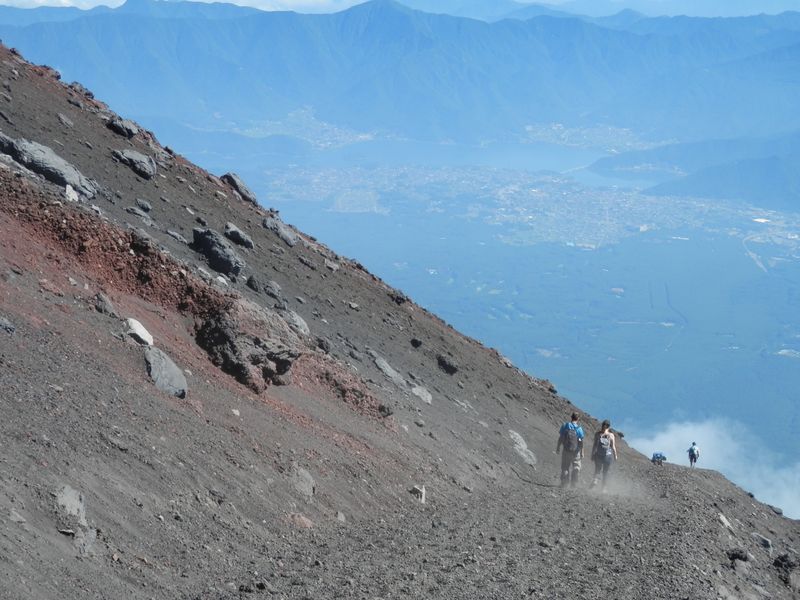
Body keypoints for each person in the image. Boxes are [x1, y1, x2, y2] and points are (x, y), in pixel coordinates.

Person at [556, 412, 584, 487]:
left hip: (566, 450)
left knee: (565, 467)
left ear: (571, 417)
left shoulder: (565, 425)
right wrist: (582, 452)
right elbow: (581, 442)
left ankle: (564, 483)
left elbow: (561, 438)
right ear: (578, 419)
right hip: (576, 451)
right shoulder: (580, 429)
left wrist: (558, 447)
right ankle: (574, 481)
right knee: (576, 465)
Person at [590, 419, 618, 491]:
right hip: (607, 456)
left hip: (598, 455)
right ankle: (603, 488)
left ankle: (595, 480)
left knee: (597, 470)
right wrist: (615, 456)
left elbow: (594, 446)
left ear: (602, 425)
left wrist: (592, 454)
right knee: (605, 472)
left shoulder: (597, 434)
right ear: (609, 427)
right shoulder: (611, 435)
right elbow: (613, 447)